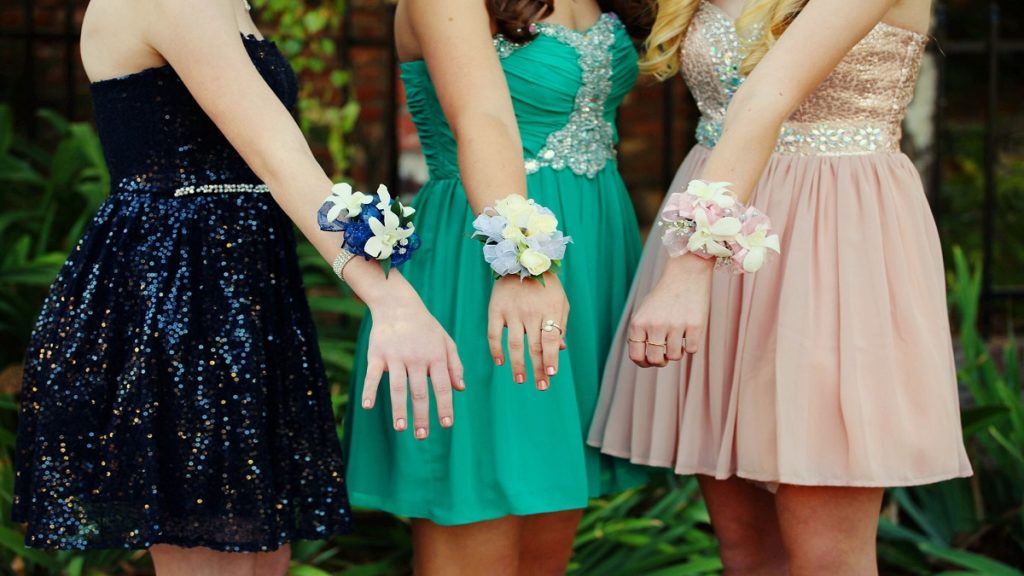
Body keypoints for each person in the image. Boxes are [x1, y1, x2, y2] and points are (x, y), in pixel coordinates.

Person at [13, 0, 462, 574]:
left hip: (246, 295)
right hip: (178, 294)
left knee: (262, 559)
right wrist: (389, 296)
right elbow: (277, 155)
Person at [589, 0, 973, 573]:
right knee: (745, 551)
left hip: (835, 243)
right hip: (723, 219)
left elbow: (768, 94)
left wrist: (691, 267)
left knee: (827, 557)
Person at [344, 0, 650, 573]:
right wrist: (519, 261)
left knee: (548, 506)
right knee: (478, 500)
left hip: (591, 254)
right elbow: (481, 117)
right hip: (485, 255)